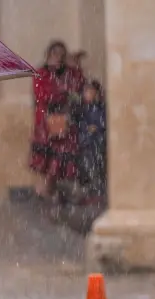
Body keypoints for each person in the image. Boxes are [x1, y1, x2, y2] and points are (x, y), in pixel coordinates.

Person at [30, 40, 86, 201]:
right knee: (46, 158)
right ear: (49, 55)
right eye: (55, 54)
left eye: (62, 54)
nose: (58, 57)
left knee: (62, 157)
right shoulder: (41, 73)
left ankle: (54, 191)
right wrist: (63, 93)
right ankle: (45, 190)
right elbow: (43, 94)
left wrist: (76, 66)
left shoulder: (70, 72)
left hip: (65, 120)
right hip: (46, 121)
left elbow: (78, 86)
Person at [76, 80, 107, 202]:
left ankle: (98, 191)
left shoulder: (101, 107)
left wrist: (98, 127)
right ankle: (90, 190)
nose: (87, 94)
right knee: (87, 166)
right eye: (86, 92)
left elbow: (104, 121)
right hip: (86, 142)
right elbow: (80, 122)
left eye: (90, 92)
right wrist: (85, 128)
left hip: (98, 141)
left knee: (98, 166)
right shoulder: (82, 108)